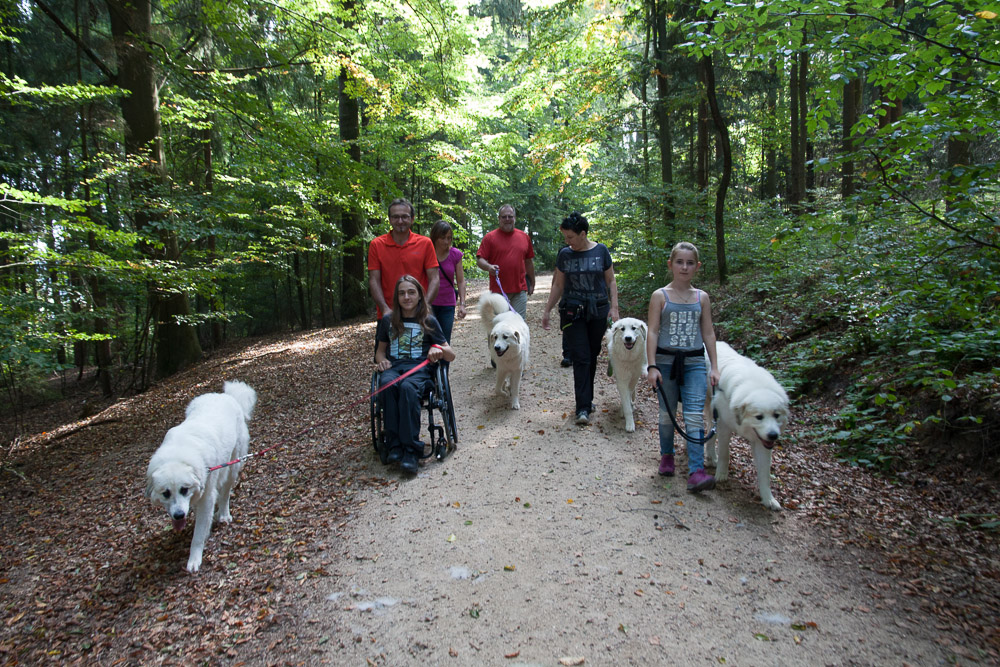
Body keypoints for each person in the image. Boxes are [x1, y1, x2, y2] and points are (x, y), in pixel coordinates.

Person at [644, 241, 720, 493]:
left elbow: (708, 333)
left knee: (695, 415)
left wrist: (715, 367)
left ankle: (696, 471)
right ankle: (667, 455)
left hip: (695, 364)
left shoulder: (702, 298)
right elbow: (652, 332)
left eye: (689, 263)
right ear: (670, 265)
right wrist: (652, 366)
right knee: (667, 415)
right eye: (679, 262)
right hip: (665, 364)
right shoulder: (660, 296)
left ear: (697, 267)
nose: (684, 267)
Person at [542, 212, 619, 426]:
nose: (567, 242)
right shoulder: (565, 255)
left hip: (598, 311)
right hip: (572, 311)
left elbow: (611, 281)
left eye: (570, 237)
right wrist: (548, 309)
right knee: (581, 356)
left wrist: (614, 308)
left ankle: (588, 398)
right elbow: (558, 284)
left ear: (583, 234)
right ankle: (582, 407)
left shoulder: (601, 251)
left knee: (592, 354)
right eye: (565, 238)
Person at [375, 275, 455, 473]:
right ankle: (394, 444)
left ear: (420, 295)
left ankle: (411, 450)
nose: (407, 297)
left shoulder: (428, 320)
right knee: (387, 384)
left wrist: (437, 349)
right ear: (396, 297)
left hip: (420, 371)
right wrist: (382, 360)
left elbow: (451, 354)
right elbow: (379, 351)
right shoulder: (388, 321)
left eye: (411, 292)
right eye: (402, 293)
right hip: (394, 369)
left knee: (408, 388)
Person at [368, 198, 439, 318]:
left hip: (419, 315)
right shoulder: (376, 245)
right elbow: (374, 280)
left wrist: (425, 306)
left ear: (412, 219)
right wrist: (384, 309)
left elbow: (434, 278)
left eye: (405, 217)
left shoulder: (425, 243)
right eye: (395, 217)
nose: (400, 221)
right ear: (390, 219)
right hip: (388, 315)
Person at [476, 204, 536, 319]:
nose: (507, 219)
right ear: (499, 218)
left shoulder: (524, 237)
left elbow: (528, 262)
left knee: (517, 326)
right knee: (498, 328)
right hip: (498, 293)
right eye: (504, 217)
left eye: (510, 216)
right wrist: (489, 267)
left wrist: (532, 282)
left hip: (519, 291)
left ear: (515, 218)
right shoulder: (490, 238)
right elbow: (480, 259)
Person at [429, 220, 466, 342]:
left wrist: (462, 304)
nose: (446, 241)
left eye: (449, 238)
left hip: (447, 304)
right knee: (430, 340)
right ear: (435, 237)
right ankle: (431, 362)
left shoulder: (455, 254)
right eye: (443, 238)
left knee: (444, 340)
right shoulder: (427, 253)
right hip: (428, 303)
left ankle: (444, 362)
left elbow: (460, 281)